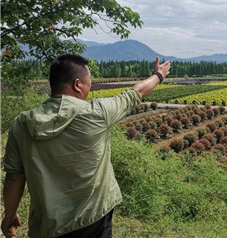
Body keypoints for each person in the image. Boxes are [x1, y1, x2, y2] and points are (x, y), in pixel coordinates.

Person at [1, 54, 170, 238]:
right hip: (93, 221)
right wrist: (158, 75)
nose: (91, 85)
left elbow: (14, 178)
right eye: (90, 80)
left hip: (47, 226)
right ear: (77, 84)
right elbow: (135, 93)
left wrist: (9, 215)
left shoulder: (22, 124)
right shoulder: (97, 113)